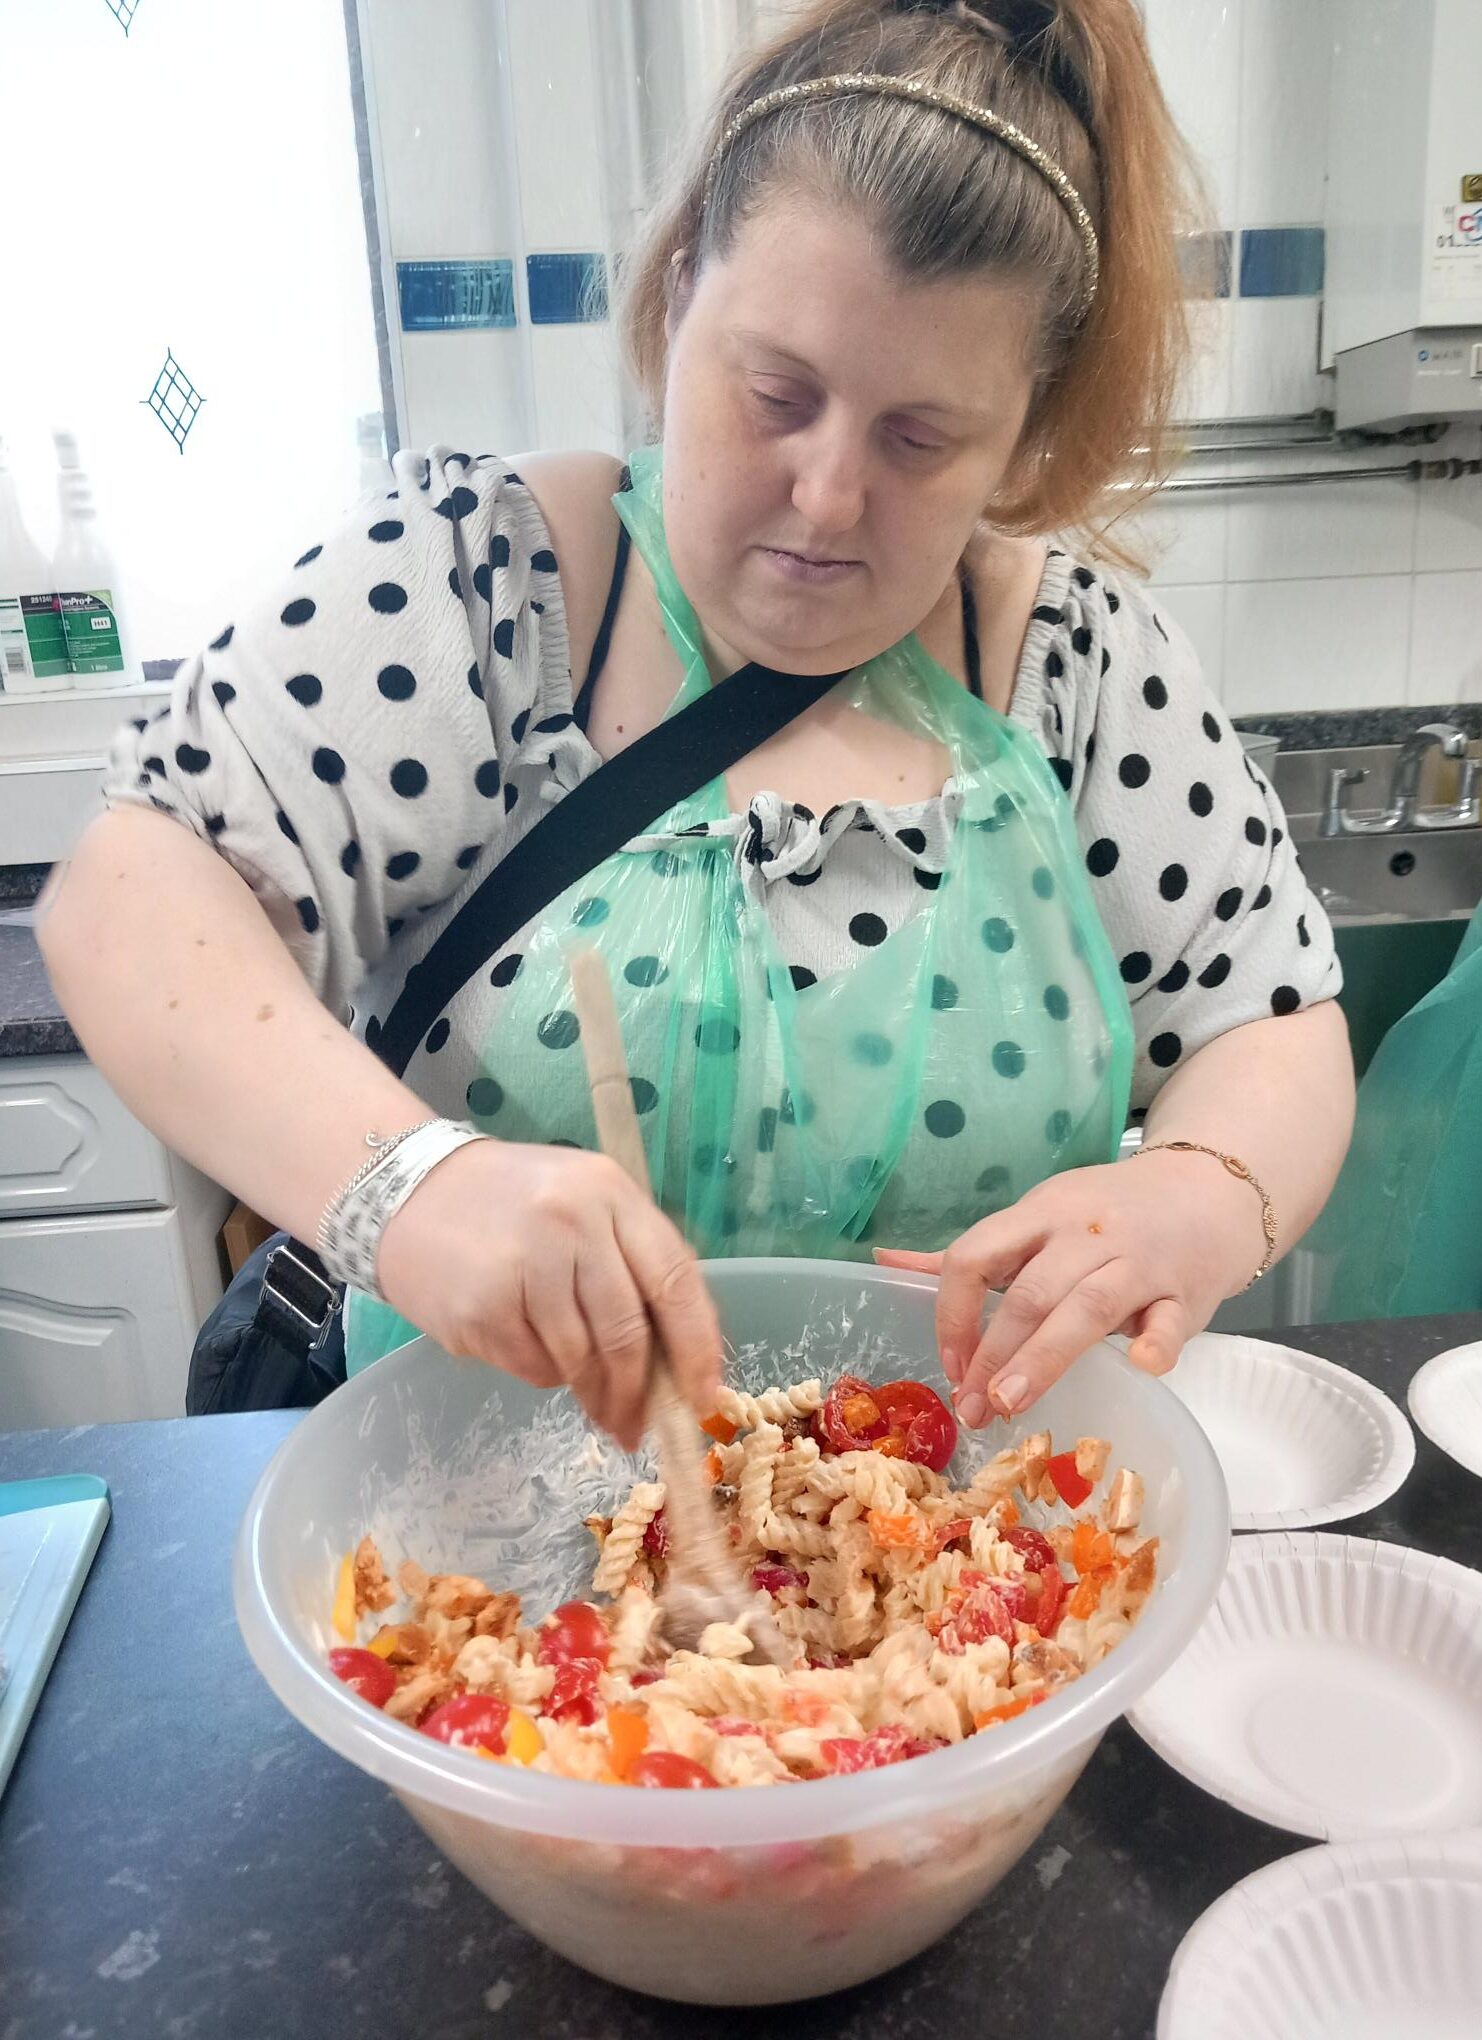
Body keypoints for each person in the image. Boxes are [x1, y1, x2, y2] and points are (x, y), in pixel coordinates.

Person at [39, 0, 1354, 1451]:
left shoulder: (1076, 661)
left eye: (922, 438)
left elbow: (1271, 1024)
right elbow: (130, 899)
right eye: (774, 393)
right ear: (675, 300)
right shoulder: (489, 587)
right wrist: (408, 1186)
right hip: (474, 1558)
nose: (827, 495)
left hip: (968, 1586)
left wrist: (1199, 1194)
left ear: (1024, 428)